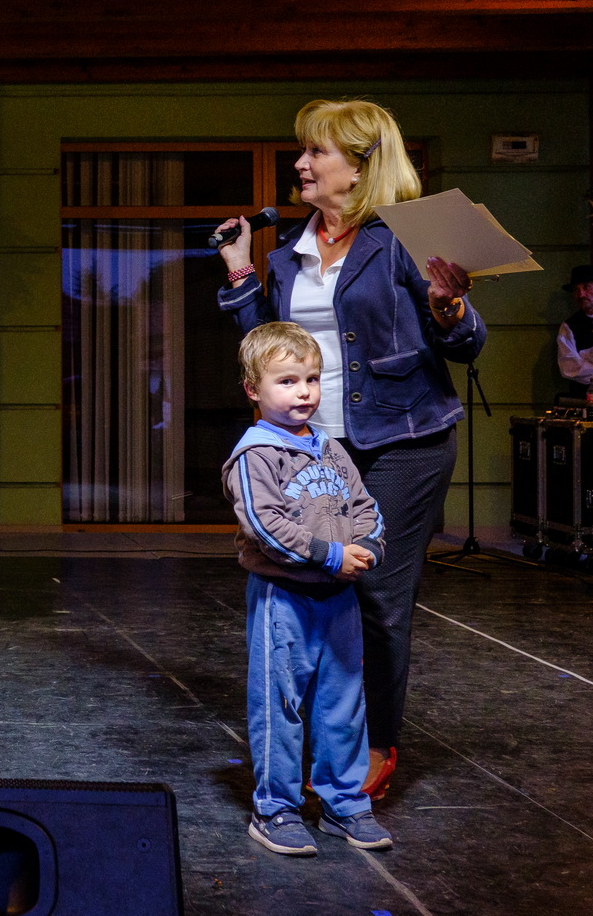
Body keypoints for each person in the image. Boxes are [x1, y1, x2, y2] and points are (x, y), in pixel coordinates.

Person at [215, 98, 485, 801]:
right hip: (318, 451)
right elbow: (270, 348)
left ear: (362, 166)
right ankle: (332, 736)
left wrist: (450, 305)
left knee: (375, 591)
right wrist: (242, 274)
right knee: (314, 586)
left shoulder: (400, 241)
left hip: (404, 442)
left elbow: (466, 342)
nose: (301, 163)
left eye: (317, 152)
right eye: (303, 150)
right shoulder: (292, 251)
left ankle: (376, 742)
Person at [224, 321, 393, 855]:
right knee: (280, 706)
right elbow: (265, 525)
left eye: (312, 379)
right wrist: (332, 555)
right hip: (285, 599)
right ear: (253, 389)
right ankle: (275, 809)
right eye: (288, 381)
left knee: (344, 705)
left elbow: (364, 506)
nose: (303, 392)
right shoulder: (255, 455)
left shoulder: (331, 449)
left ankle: (344, 805)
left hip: (338, 600)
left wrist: (368, 546)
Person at [556, 263, 593, 400]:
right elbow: (570, 367)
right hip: (583, 399)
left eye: (586, 287)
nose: (581, 294)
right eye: (576, 289)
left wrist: (584, 357)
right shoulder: (569, 326)